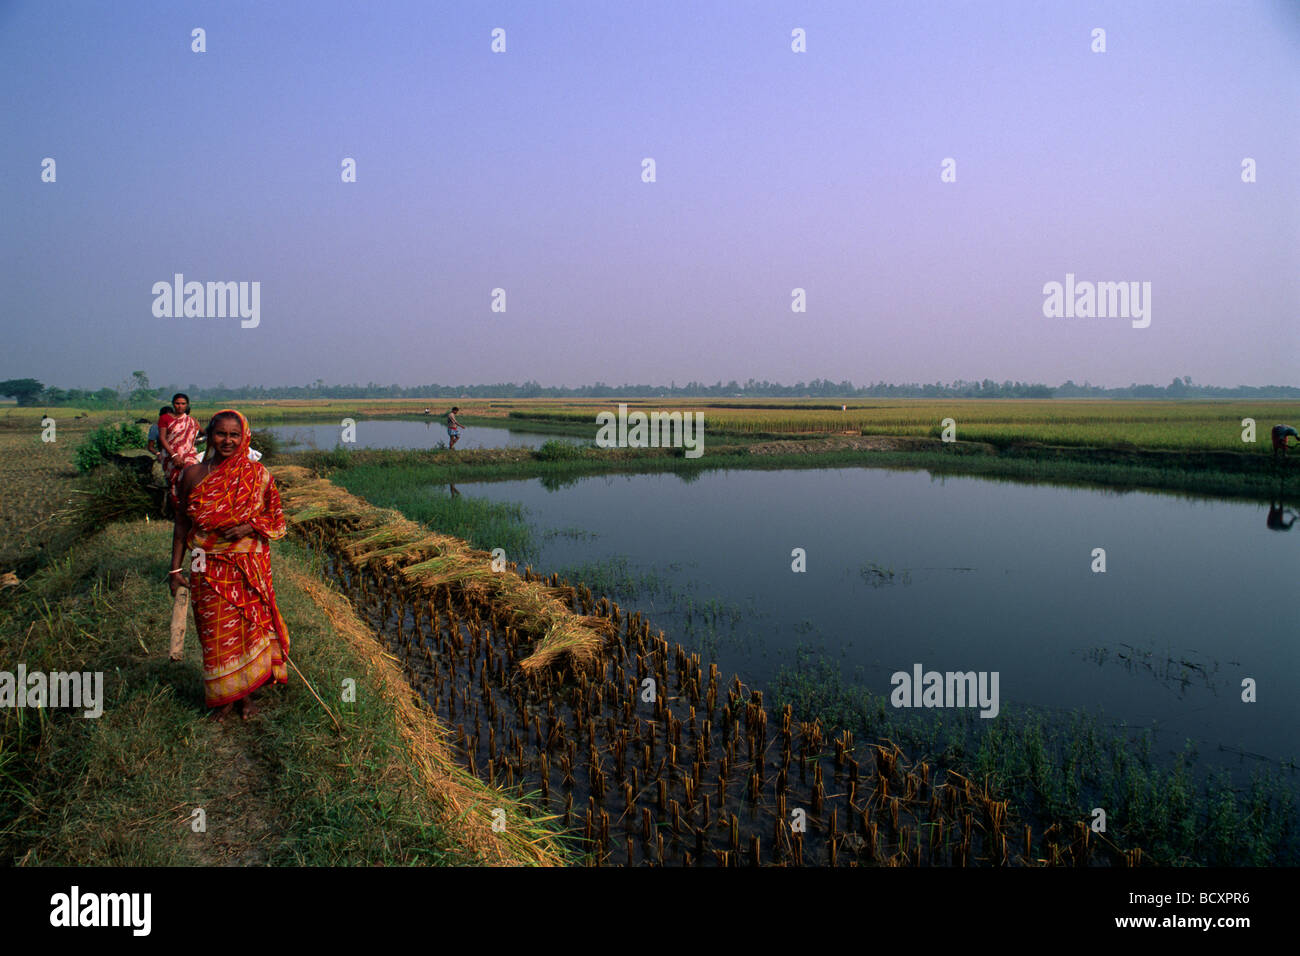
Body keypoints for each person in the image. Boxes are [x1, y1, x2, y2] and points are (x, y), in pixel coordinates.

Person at [169, 409, 290, 720]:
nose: (227, 440)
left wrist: (248, 527)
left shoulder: (258, 475)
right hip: (203, 564)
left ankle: (246, 696)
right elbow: (182, 524)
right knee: (214, 632)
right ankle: (223, 698)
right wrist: (174, 569)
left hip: (248, 565)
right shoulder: (193, 475)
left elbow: (275, 517)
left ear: (244, 437)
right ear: (210, 435)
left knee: (249, 629)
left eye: (234, 435)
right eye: (221, 433)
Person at [159, 393, 202, 506]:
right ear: (173, 404)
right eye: (177, 403)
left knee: (191, 473)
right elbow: (162, 439)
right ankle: (177, 505)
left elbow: (204, 433)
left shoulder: (191, 420)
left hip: (189, 455)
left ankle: (190, 504)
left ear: (187, 405)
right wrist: (174, 456)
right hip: (170, 455)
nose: (180, 406)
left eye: (183, 404)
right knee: (175, 479)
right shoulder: (165, 418)